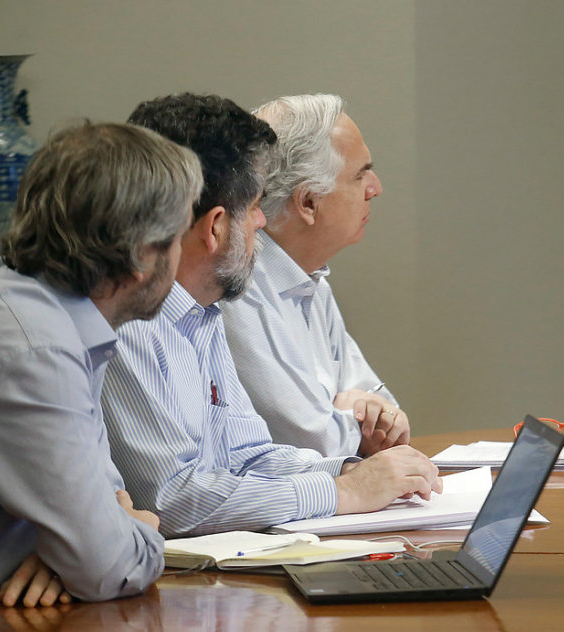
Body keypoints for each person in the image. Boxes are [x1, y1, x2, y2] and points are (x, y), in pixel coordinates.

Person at [103, 94, 440, 539]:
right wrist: (344, 492)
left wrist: (358, 470)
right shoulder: (132, 323)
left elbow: (248, 454)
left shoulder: (199, 313)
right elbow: (173, 500)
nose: (262, 223)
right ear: (216, 226)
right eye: (256, 205)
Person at [0, 122, 203, 616]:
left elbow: (109, 501)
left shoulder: (39, 310)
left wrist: (90, 540)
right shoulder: (33, 348)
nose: (180, 255)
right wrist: (138, 531)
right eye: (177, 238)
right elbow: (108, 565)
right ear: (138, 257)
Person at [221, 93, 404, 458]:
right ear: (307, 203)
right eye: (360, 175)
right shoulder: (237, 289)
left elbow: (387, 418)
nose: (376, 188)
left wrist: (355, 412)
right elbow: (311, 440)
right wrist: (351, 415)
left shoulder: (312, 281)